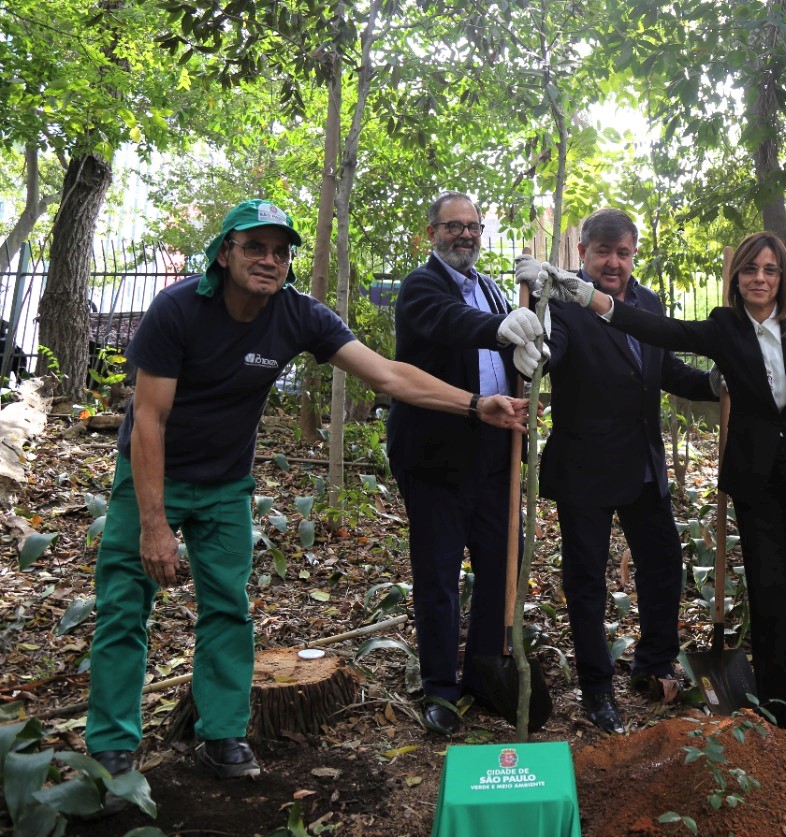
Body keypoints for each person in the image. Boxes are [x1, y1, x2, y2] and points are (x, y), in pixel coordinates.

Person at [85, 199, 532, 787]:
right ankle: (112, 746)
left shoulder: (298, 315)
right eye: (254, 247)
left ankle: (221, 734)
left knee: (227, 608)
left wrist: (477, 405)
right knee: (123, 608)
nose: (268, 260)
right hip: (151, 473)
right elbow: (149, 420)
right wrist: (153, 525)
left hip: (224, 485)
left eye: (280, 250)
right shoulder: (178, 309)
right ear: (226, 253)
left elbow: (389, 375)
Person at [536, 231, 786, 756]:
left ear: (782, 276)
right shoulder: (724, 327)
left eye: (770, 270)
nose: (760, 279)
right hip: (756, 474)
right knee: (768, 591)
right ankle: (782, 705)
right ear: (736, 278)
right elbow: (657, 328)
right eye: (750, 270)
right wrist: (587, 298)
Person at [513, 209, 719, 734]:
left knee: (663, 564)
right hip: (586, 466)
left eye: (623, 252)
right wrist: (530, 350)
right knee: (586, 580)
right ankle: (597, 689)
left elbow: (665, 367)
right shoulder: (561, 302)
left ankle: (653, 663)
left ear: (633, 254)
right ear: (582, 253)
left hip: (644, 465)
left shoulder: (647, 303)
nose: (613, 262)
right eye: (603, 251)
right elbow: (544, 357)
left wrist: (714, 385)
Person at [386, 191, 547, 737]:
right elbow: (450, 323)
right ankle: (439, 688)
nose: (466, 236)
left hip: (496, 455)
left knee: (501, 565)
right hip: (436, 458)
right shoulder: (421, 287)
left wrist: (535, 329)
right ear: (431, 233)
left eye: (474, 227)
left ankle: (483, 668)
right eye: (453, 227)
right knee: (438, 576)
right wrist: (503, 328)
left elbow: (513, 344)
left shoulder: (494, 289)